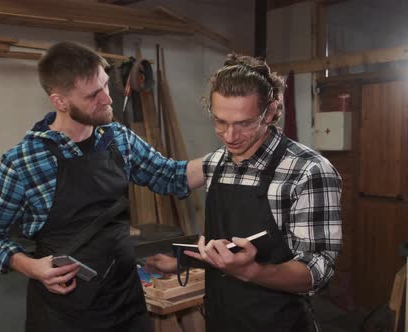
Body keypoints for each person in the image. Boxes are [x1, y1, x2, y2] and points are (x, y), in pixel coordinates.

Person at [0, 41, 205, 332]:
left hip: (126, 303)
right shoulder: (25, 161)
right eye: (93, 95)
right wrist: (30, 267)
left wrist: (226, 157)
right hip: (64, 314)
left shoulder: (118, 139)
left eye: (106, 86)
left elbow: (172, 176)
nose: (107, 99)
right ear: (60, 102)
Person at [146, 54, 343, 332]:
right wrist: (183, 263)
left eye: (245, 123)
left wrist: (251, 271)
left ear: (272, 111)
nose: (230, 136)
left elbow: (317, 270)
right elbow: (167, 176)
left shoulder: (308, 171)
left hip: (278, 324)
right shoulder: (217, 163)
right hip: (221, 319)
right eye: (220, 122)